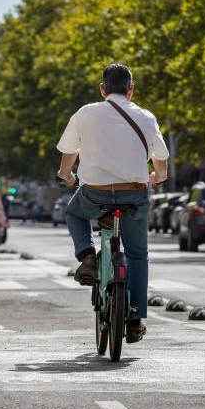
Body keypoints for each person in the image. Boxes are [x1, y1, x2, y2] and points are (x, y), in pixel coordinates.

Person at [56, 63, 169, 344]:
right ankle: (135, 319)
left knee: (73, 212)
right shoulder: (146, 116)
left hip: (95, 193)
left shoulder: (86, 113)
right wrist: (158, 177)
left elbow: (69, 152)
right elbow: (161, 159)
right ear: (131, 91)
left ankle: (88, 257)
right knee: (138, 254)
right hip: (134, 193)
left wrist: (65, 175)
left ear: (102, 89)